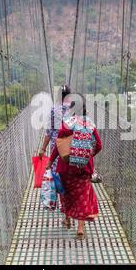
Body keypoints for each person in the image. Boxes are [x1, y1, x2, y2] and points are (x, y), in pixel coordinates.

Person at [46, 94, 102, 239]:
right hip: (83, 169)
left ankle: (67, 218)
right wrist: (86, 156)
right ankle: (80, 228)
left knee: (66, 194)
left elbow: (58, 145)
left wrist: (50, 162)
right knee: (82, 195)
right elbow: (99, 145)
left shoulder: (67, 123)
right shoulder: (90, 124)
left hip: (66, 168)